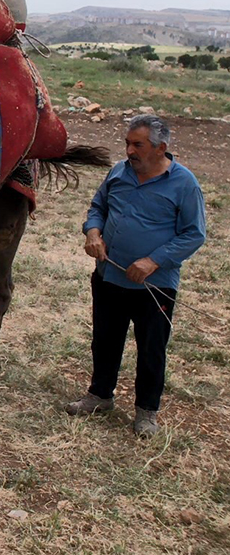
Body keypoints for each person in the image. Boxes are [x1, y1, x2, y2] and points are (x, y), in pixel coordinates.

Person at [65, 114, 206, 437]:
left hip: (154, 287)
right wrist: (93, 232)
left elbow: (193, 234)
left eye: (137, 145)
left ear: (161, 148)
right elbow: (98, 206)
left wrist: (153, 261)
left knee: (151, 348)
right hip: (109, 277)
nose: (129, 150)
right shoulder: (119, 171)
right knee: (104, 339)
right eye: (128, 143)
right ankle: (100, 396)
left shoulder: (184, 184)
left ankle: (146, 412)